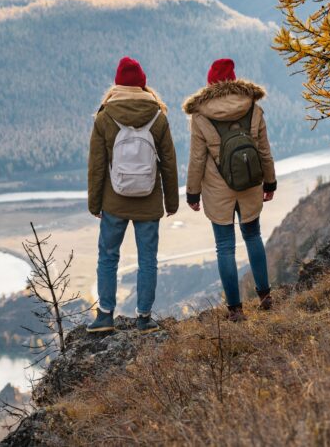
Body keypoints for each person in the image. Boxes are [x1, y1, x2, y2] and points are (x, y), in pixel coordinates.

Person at [87, 56, 179, 333]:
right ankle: (144, 318)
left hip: (114, 201)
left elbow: (97, 165)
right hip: (149, 200)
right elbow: (169, 162)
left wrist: (95, 204)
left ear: (116, 84)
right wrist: (171, 202)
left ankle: (105, 316)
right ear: (142, 85)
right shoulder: (157, 117)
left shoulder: (104, 117)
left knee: (108, 256)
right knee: (147, 259)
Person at [183, 58, 276, 322]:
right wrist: (270, 182)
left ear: (211, 83)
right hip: (250, 183)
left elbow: (197, 159)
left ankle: (235, 310)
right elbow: (263, 150)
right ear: (234, 81)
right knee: (253, 236)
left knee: (225, 247)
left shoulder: (200, 115)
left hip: (217, 189)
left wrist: (192, 193)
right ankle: (265, 296)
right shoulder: (252, 107)